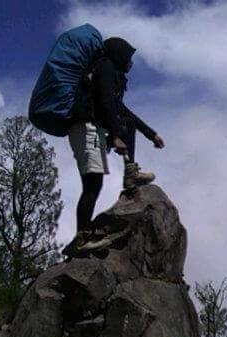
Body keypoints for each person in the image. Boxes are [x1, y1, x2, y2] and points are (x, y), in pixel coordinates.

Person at [62, 36, 165, 256]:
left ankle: (130, 173)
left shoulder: (110, 72)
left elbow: (122, 111)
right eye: (128, 57)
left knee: (126, 125)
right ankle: (80, 240)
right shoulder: (105, 68)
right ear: (118, 55)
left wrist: (151, 134)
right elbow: (107, 103)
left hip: (94, 127)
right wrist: (116, 136)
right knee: (92, 184)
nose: (131, 62)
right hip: (85, 127)